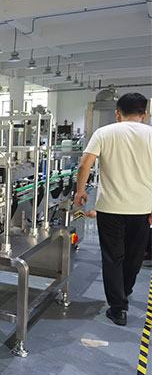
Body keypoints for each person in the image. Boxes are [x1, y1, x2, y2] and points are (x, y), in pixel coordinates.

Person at [74, 92, 152, 326]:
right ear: (144, 115)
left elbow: (84, 164)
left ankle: (118, 309)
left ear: (117, 114)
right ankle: (124, 293)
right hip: (142, 208)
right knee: (134, 257)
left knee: (112, 257)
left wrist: (80, 191)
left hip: (110, 208)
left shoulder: (104, 132)